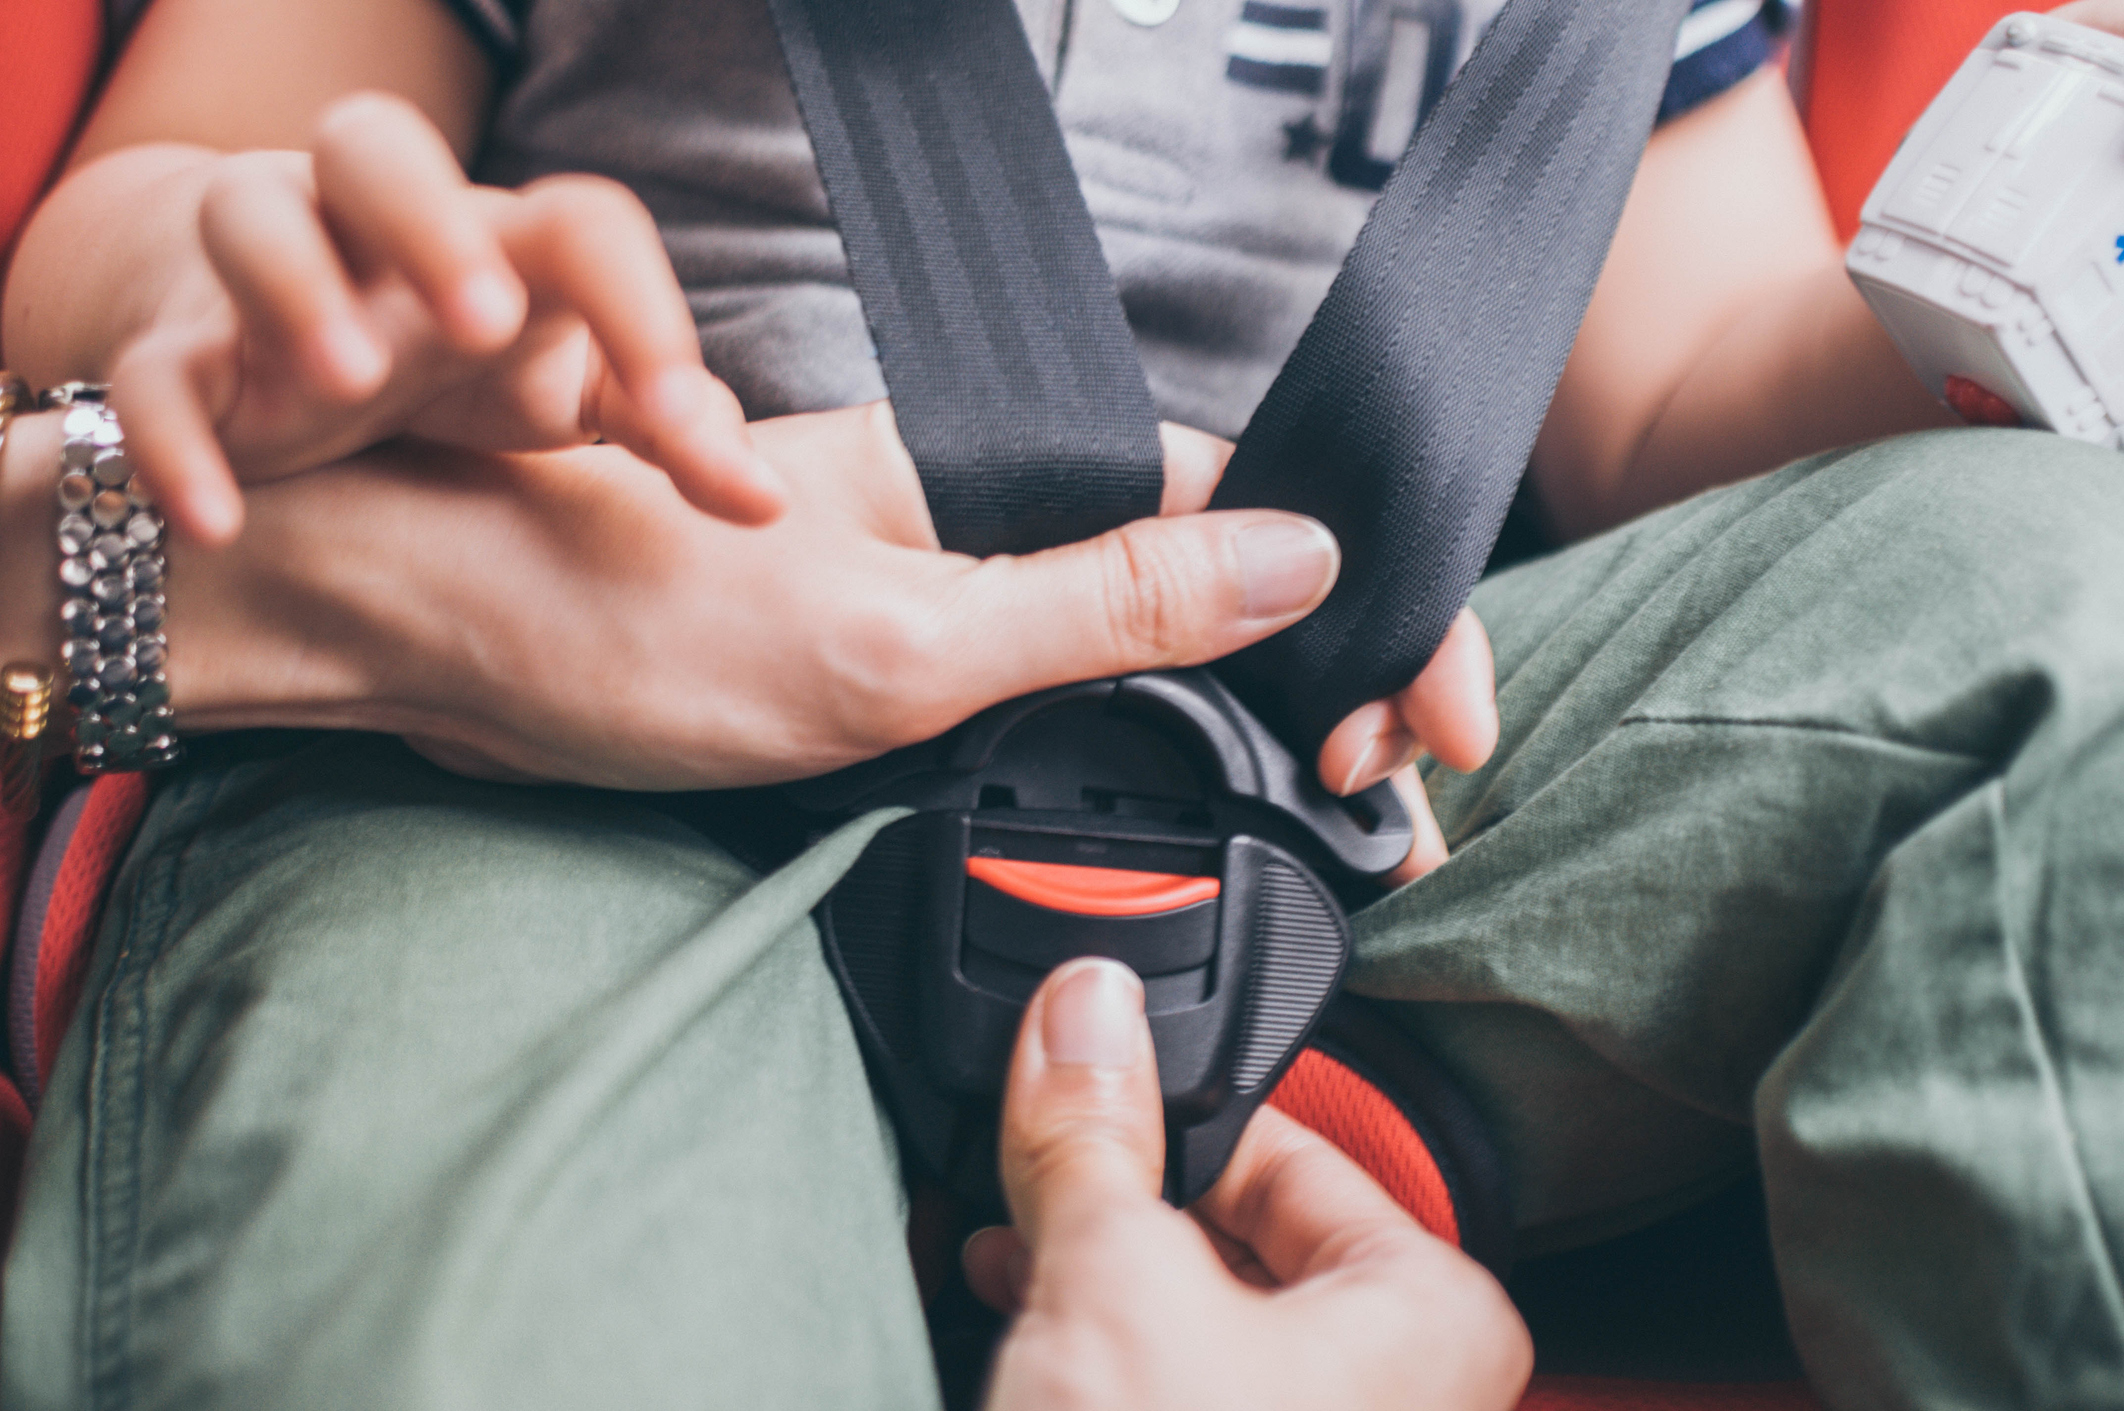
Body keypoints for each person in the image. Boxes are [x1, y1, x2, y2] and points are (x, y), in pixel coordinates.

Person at [0, 0, 2119, 1406]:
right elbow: (168, 181)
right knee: (478, 1323)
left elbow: (1671, 395)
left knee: (2078, 595)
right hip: (552, 733)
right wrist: (248, 283)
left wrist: (1996, 286)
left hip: (1357, 789)